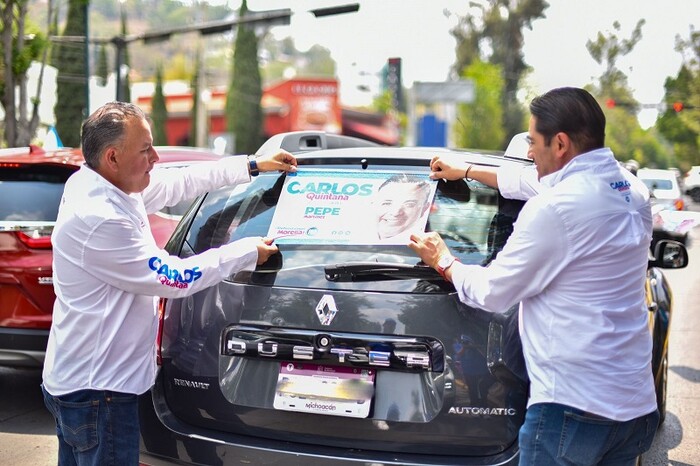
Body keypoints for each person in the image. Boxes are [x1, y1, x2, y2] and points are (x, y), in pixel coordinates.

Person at [409, 87, 658, 465]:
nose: (528, 152)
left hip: (573, 409)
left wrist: (445, 261)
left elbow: (493, 293)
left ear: (560, 143)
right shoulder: (631, 190)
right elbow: (530, 181)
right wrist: (469, 171)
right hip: (633, 405)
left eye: (532, 142)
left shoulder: (554, 210)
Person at [41, 101, 297, 465]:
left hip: (81, 383)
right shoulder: (101, 217)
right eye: (145, 149)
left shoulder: (100, 182)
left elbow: (181, 180)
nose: (155, 157)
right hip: (99, 395)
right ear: (113, 157)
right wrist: (245, 252)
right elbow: (174, 278)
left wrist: (252, 165)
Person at [372, 173, 433, 242]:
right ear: (374, 205)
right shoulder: (360, 239)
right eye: (387, 203)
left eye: (409, 205)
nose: (395, 212)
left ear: (424, 209)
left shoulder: (433, 248)